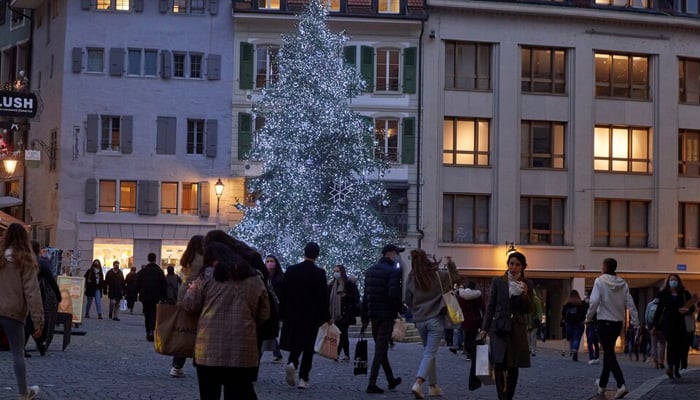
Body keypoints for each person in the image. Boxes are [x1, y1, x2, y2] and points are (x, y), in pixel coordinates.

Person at [182, 241, 270, 400]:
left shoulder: (207, 275)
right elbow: (264, 313)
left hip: (209, 348)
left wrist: (190, 288)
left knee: (209, 394)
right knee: (237, 393)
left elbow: (190, 305)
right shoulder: (254, 277)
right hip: (243, 349)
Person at [477, 251, 533, 400]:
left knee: (513, 365)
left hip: (516, 328)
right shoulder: (498, 281)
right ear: (508, 264)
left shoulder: (527, 284)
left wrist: (525, 295)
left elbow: (529, 309)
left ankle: (509, 396)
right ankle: (501, 396)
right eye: (511, 264)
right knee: (499, 363)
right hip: (499, 327)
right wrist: (484, 329)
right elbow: (491, 305)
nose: (513, 267)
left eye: (517, 265)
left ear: (523, 267)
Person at [404, 248, 458, 399]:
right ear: (427, 259)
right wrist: (451, 264)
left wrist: (416, 307)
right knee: (430, 353)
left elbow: (407, 299)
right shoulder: (438, 275)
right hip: (435, 318)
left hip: (420, 320)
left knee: (429, 352)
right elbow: (454, 278)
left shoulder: (411, 277)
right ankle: (418, 382)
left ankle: (433, 386)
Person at [0, 222, 44, 399]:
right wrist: (39, 320)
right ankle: (23, 392)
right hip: (13, 313)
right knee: (17, 353)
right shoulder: (25, 260)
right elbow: (32, 292)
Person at [585, 257, 639, 399]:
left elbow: (594, 301)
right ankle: (602, 385)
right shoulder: (623, 284)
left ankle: (621, 384)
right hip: (617, 323)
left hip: (603, 322)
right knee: (608, 353)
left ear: (604, 267)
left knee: (609, 354)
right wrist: (636, 322)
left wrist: (588, 318)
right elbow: (631, 304)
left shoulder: (599, 281)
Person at [279, 242, 330, 390]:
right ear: (317, 255)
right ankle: (303, 378)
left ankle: (292, 363)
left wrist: (282, 312)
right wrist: (326, 316)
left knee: (295, 342)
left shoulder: (291, 270)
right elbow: (322, 297)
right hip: (311, 316)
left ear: (304, 252)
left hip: (293, 314)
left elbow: (284, 293)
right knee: (308, 347)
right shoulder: (319, 273)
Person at [361, 244, 404, 394]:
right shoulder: (393, 271)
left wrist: (365, 317)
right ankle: (371, 384)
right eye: (396, 253)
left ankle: (391, 380)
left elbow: (366, 296)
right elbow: (393, 295)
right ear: (389, 253)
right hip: (386, 315)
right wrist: (400, 308)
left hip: (373, 314)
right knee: (380, 349)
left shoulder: (370, 271)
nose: (396, 256)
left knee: (382, 348)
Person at [170, 234, 204, 378]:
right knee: (199, 331)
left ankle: (177, 365)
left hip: (183, 293)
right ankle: (200, 362)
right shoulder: (202, 258)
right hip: (196, 295)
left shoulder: (187, 258)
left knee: (184, 331)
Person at [651, 273, 695, 379]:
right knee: (671, 345)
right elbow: (659, 310)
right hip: (669, 323)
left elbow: (692, 307)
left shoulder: (684, 293)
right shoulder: (664, 293)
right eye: (671, 279)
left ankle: (676, 368)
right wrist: (654, 325)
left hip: (681, 323)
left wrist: (687, 310)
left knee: (680, 346)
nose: (673, 281)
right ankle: (670, 367)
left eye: (675, 279)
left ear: (679, 281)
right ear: (668, 282)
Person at [26, 240, 61, 355]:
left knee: (29, 319)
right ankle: (39, 343)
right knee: (32, 320)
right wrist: (58, 295)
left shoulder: (24, 261)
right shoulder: (42, 263)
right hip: (36, 293)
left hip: (23, 293)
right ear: (39, 249)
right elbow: (51, 281)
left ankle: (38, 344)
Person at [456, 281, 484, 391]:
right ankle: (472, 353)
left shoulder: (461, 296)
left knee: (467, 336)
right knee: (473, 337)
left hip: (465, 320)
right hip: (475, 320)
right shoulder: (477, 296)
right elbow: (483, 307)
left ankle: (468, 351)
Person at [328, 264, 360, 362]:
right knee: (343, 334)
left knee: (342, 333)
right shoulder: (332, 285)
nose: (336, 273)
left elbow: (356, 298)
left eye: (338, 271)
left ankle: (336, 354)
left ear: (342, 272)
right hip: (336, 314)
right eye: (334, 271)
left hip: (346, 313)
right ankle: (346, 355)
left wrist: (345, 295)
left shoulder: (349, 284)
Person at [136, 253, 166, 342]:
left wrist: (139, 291)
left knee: (147, 313)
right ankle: (151, 330)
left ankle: (148, 330)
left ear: (148, 259)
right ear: (155, 259)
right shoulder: (159, 271)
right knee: (153, 313)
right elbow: (163, 284)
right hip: (156, 296)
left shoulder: (144, 270)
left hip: (145, 295)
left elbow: (137, 282)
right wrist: (164, 296)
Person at [260, 254, 284, 363]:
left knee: (269, 330)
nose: (269, 263)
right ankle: (277, 354)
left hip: (276, 307)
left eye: (271, 261)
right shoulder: (262, 277)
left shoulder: (280, 278)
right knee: (270, 330)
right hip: (266, 306)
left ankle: (259, 355)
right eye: (267, 261)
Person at [561, 289, 587, 361]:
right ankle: (575, 349)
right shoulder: (581, 303)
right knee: (577, 338)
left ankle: (573, 350)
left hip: (569, 323)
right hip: (579, 323)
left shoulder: (567, 304)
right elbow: (584, 313)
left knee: (572, 337)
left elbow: (563, 313)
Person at [645, 296, 665, 369]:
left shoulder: (650, 304)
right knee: (662, 344)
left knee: (654, 345)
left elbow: (646, 316)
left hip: (651, 327)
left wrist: (648, 326)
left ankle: (655, 361)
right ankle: (661, 361)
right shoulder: (663, 304)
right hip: (661, 328)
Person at [584, 293, 600, 365]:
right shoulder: (598, 303)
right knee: (595, 341)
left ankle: (592, 357)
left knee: (590, 341)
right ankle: (596, 357)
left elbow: (588, 313)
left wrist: (587, 319)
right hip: (596, 323)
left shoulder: (590, 304)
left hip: (590, 323)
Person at [527, 289, 543, 358]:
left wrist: (539, 318)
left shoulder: (536, 299)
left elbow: (539, 310)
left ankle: (533, 350)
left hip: (534, 321)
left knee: (533, 336)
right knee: (528, 337)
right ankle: (529, 349)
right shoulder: (525, 299)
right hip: (527, 321)